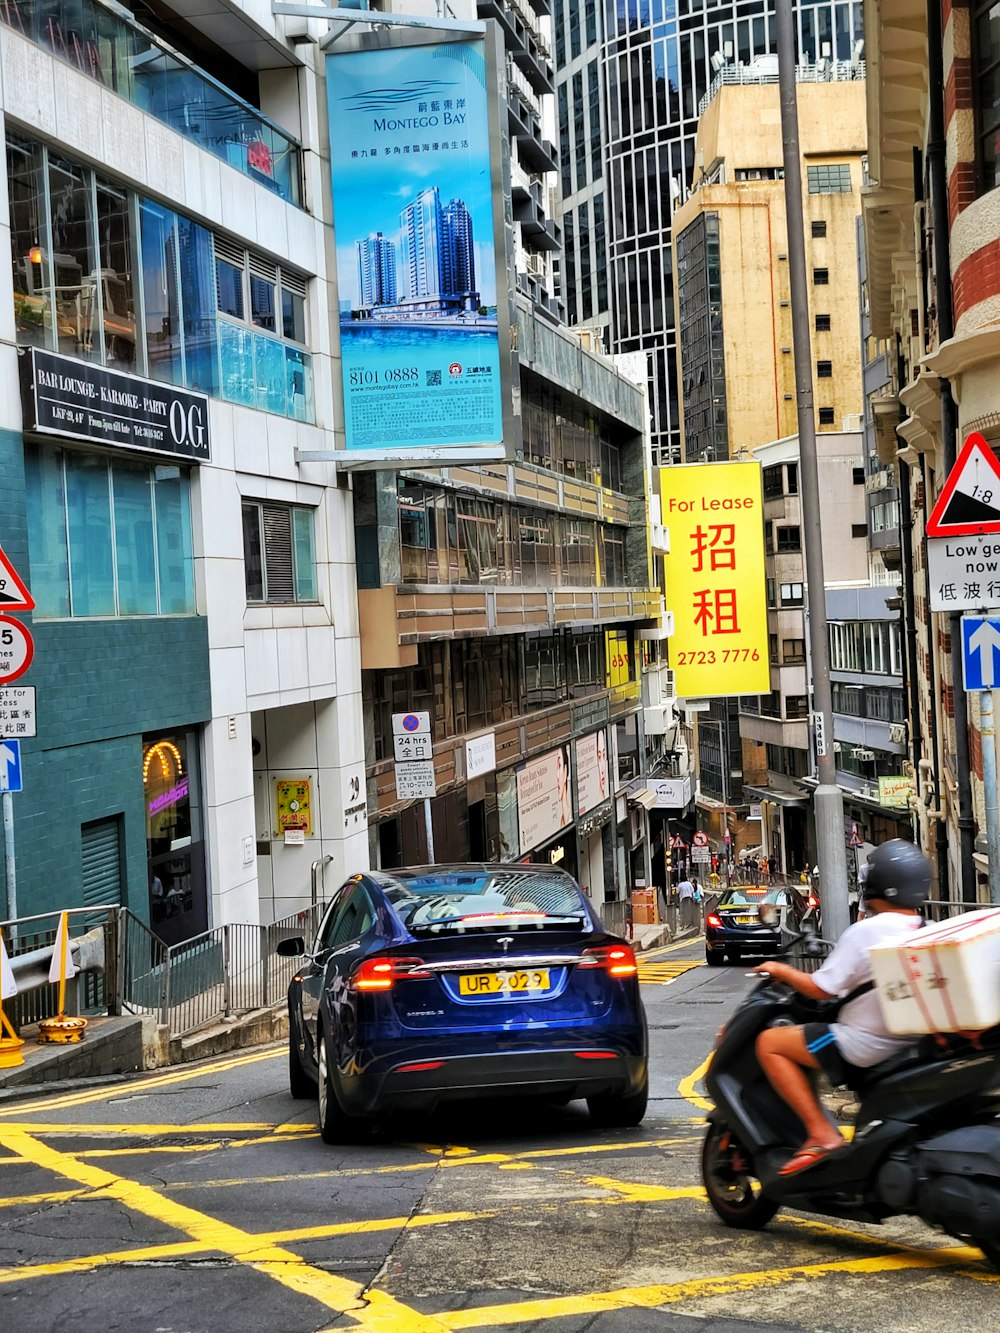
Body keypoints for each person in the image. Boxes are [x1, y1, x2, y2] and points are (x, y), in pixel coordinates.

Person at [752, 839, 932, 1177]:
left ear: (876, 886)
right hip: (910, 1043)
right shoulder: (927, 928)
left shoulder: (865, 932)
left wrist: (781, 970)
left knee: (770, 1044)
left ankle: (821, 1133)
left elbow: (821, 989)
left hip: (861, 1044)